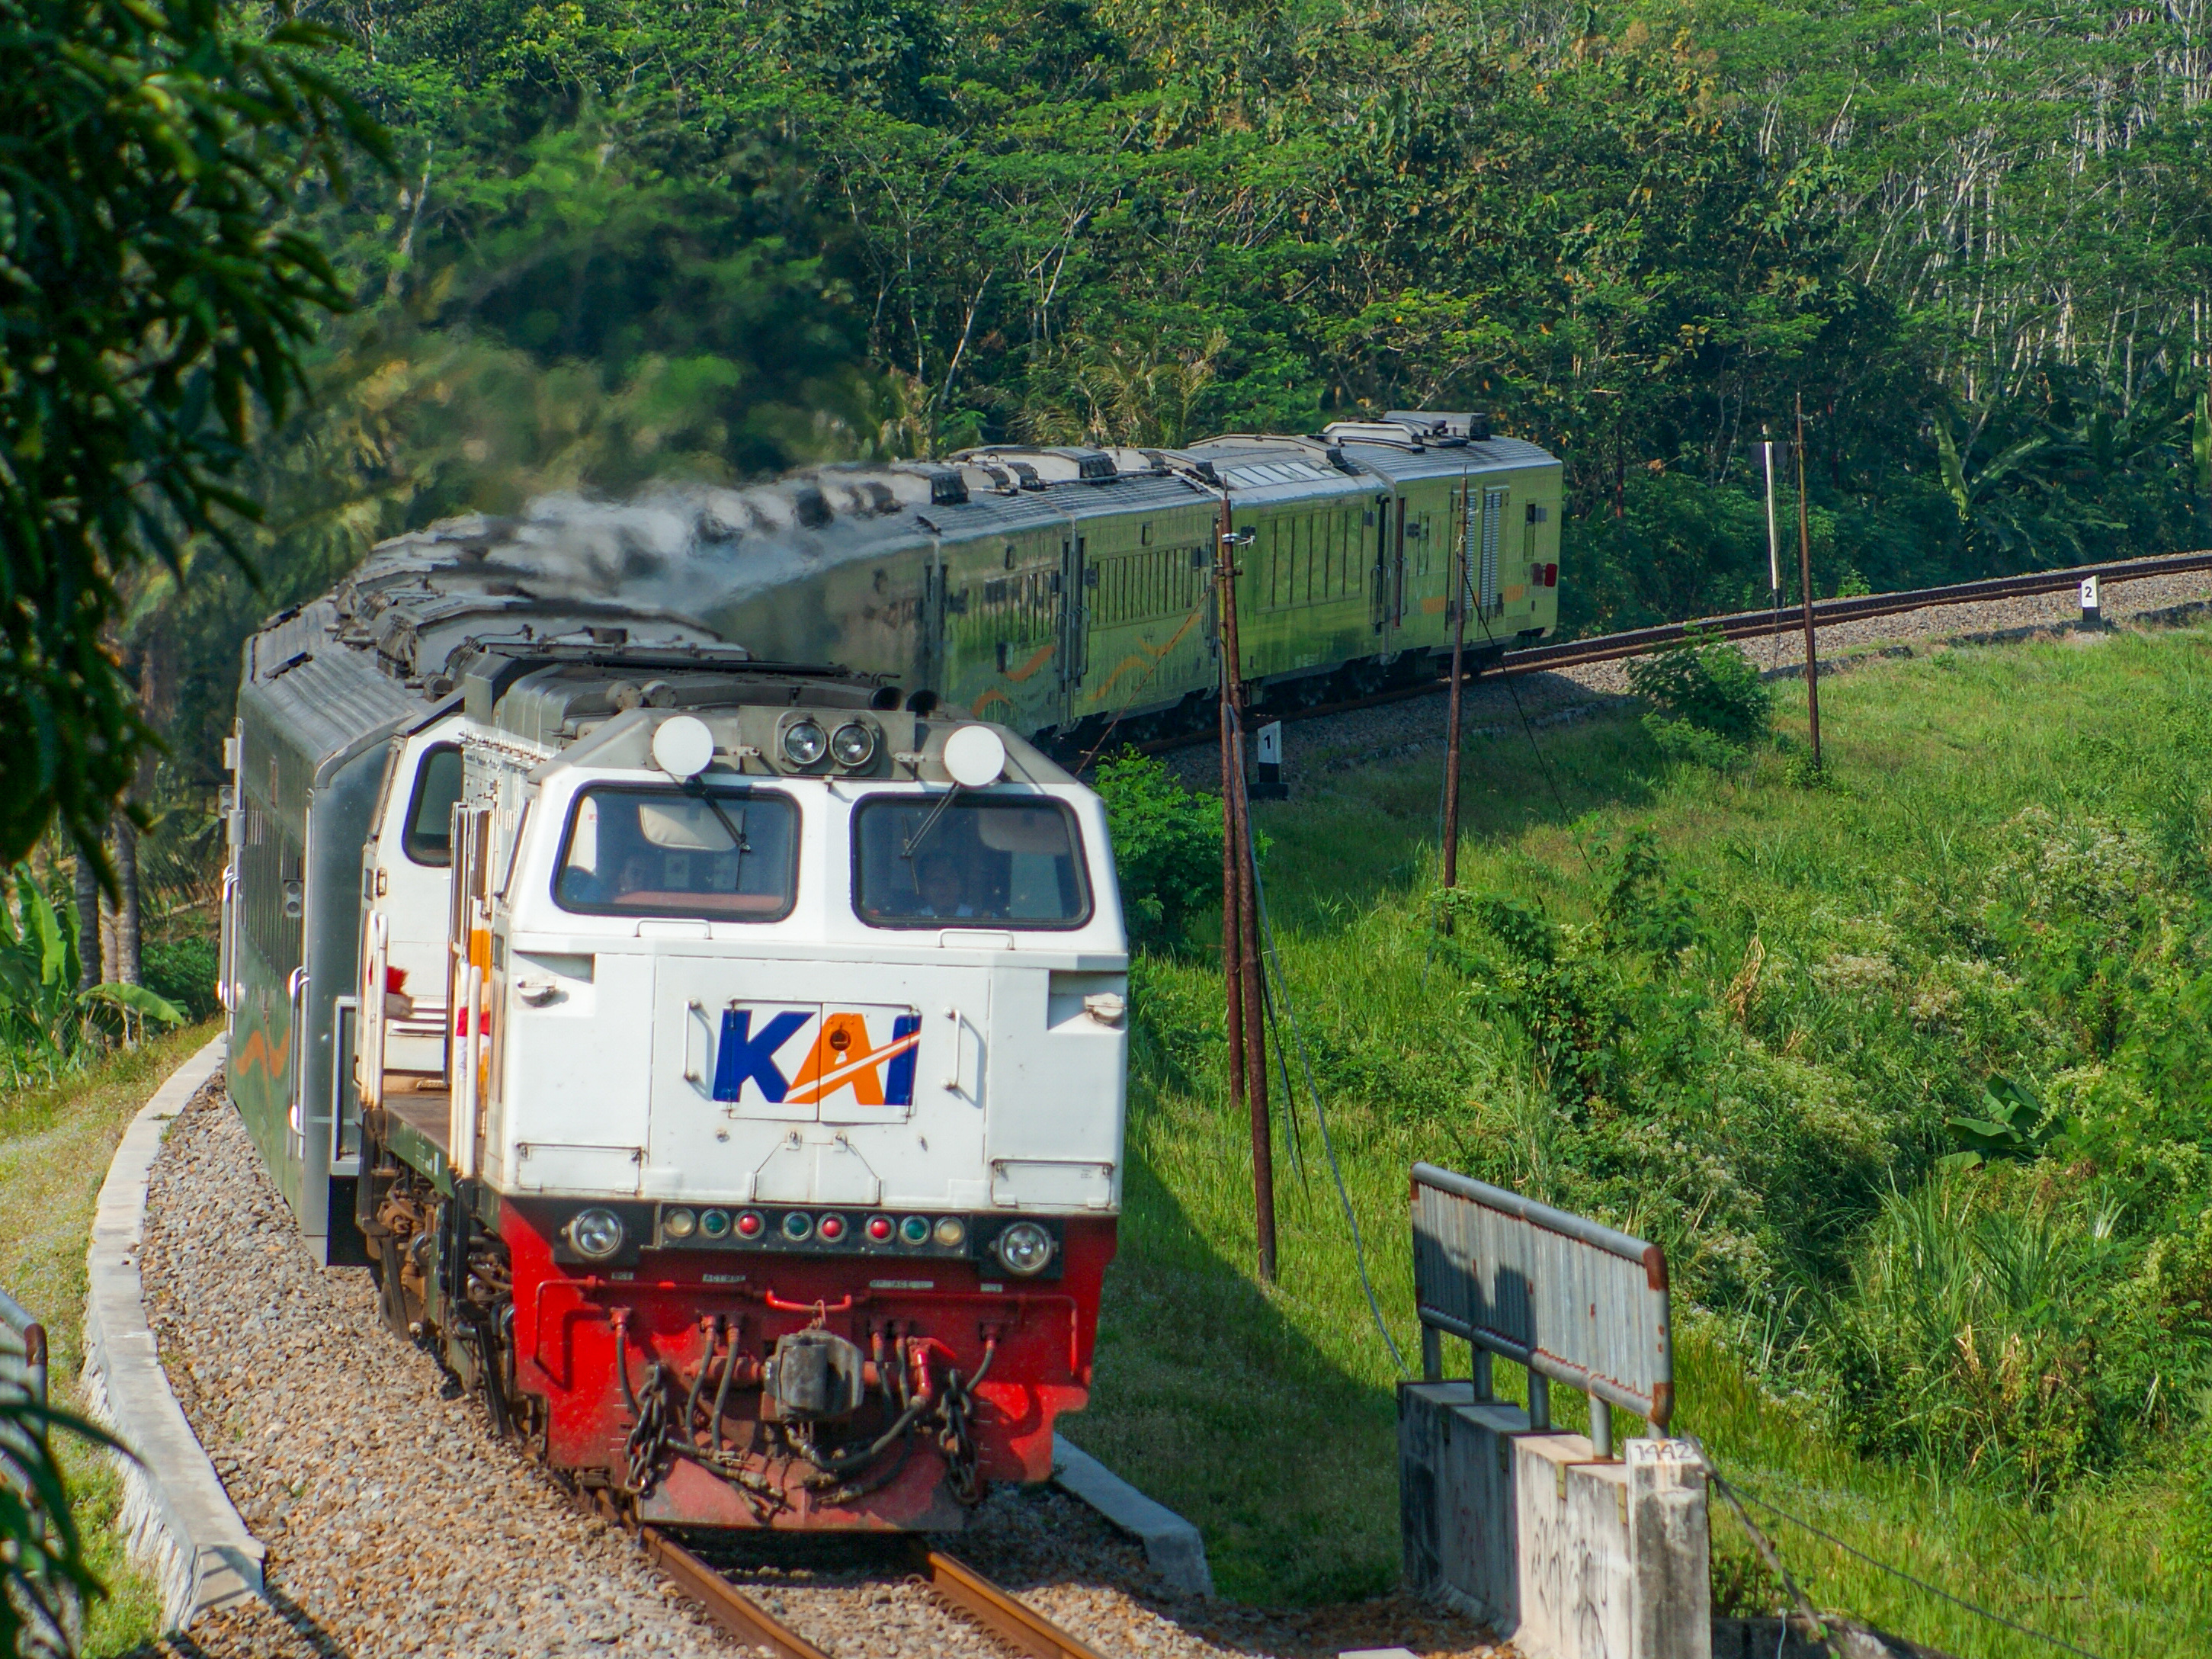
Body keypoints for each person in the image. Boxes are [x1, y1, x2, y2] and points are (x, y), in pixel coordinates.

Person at [914, 852, 976, 918]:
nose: (943, 885)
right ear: (922, 887)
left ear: (960, 883)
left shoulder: (978, 919)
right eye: (935, 880)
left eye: (950, 878)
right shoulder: (913, 921)